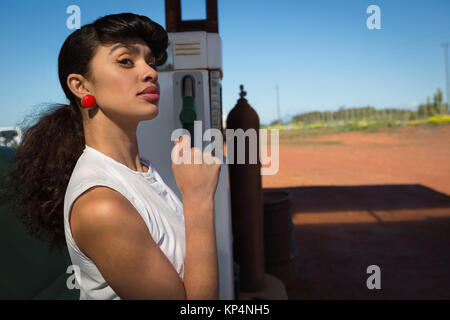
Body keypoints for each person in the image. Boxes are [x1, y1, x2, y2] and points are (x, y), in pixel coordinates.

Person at [1, 12, 221, 300]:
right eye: (126, 61)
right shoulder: (101, 204)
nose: (150, 72)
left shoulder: (140, 170)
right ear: (81, 86)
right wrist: (199, 200)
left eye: (151, 62)